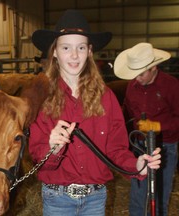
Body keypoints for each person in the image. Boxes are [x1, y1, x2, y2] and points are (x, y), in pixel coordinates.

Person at [28, 9, 161, 216]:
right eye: (66, 47)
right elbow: (36, 156)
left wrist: (136, 165)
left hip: (95, 199)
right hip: (57, 200)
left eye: (81, 47)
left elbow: (116, 149)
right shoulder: (41, 97)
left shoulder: (105, 97)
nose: (74, 55)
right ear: (54, 51)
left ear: (89, 51)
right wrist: (51, 147)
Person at [114, 42, 179, 216]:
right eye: (135, 74)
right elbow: (126, 110)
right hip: (140, 146)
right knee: (137, 193)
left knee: (160, 194)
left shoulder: (171, 86)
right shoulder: (132, 86)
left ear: (154, 67)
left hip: (164, 148)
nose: (138, 78)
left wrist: (157, 126)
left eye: (142, 73)